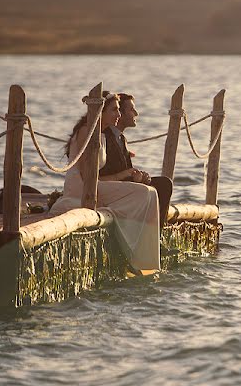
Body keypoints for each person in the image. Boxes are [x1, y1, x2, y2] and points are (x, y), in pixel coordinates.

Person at [51, 92, 160, 274]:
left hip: (95, 184)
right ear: (100, 112)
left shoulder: (100, 133)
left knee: (151, 192)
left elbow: (98, 177)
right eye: (114, 110)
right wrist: (123, 176)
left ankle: (146, 260)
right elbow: (88, 177)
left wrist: (127, 176)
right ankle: (130, 250)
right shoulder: (87, 131)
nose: (118, 115)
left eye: (119, 110)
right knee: (143, 193)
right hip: (81, 187)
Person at [100, 92, 174, 226]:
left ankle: (157, 231)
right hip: (111, 189)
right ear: (120, 114)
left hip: (123, 184)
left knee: (163, 183)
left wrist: (142, 178)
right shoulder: (106, 137)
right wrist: (134, 179)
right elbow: (105, 173)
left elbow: (126, 171)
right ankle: (153, 233)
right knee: (163, 185)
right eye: (131, 109)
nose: (136, 113)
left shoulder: (121, 138)